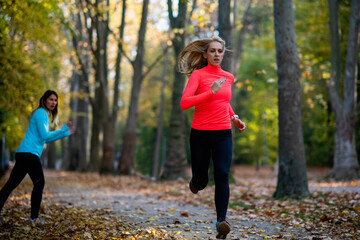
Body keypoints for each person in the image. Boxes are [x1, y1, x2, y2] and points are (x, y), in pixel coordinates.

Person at [179, 36, 246, 239]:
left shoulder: (228, 77)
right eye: (213, 51)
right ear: (205, 54)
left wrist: (233, 117)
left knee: (222, 174)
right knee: (202, 181)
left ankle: (221, 221)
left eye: (220, 51)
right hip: (200, 133)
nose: (217, 54)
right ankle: (196, 182)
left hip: (223, 133)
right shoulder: (198, 76)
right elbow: (184, 103)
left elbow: (223, 101)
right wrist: (210, 92)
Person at [0, 90, 75, 225]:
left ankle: (33, 217)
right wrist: (63, 128)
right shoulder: (41, 113)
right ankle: (34, 218)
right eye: (51, 99)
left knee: (10, 185)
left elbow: (44, 139)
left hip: (25, 153)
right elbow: (45, 136)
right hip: (29, 154)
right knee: (39, 183)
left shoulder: (43, 114)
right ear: (44, 100)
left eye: (55, 100)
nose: (53, 102)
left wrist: (66, 133)